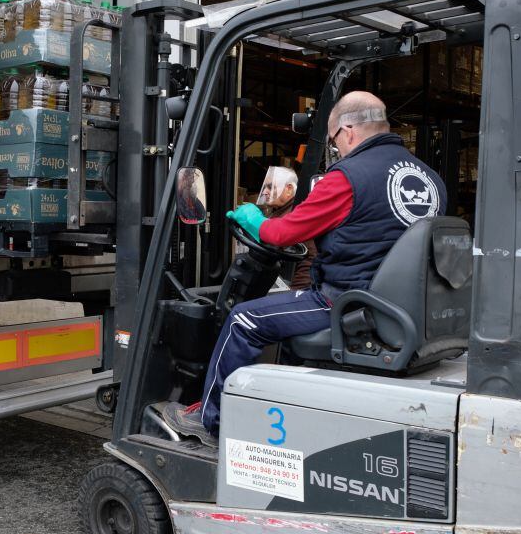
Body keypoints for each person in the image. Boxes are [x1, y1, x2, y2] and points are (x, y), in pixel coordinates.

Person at [167, 91, 446, 441]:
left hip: (349, 301)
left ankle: (213, 420)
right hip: (401, 305)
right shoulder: (429, 179)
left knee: (244, 319)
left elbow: (282, 232)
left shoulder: (348, 177)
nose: (336, 151)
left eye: (333, 143)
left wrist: (254, 220)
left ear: (347, 131)